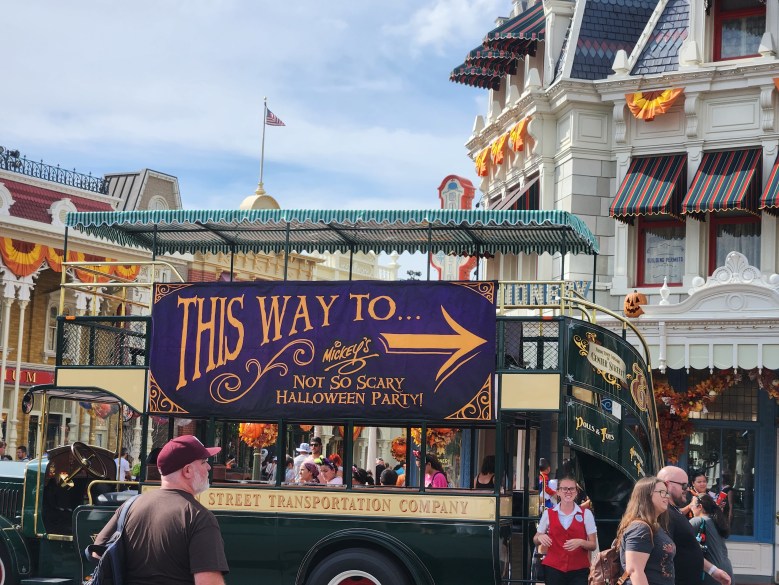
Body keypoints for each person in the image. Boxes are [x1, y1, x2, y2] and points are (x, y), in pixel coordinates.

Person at [93, 435, 229, 585]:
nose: (209, 467)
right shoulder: (198, 516)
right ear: (188, 471)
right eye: (204, 462)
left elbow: (97, 552)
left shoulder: (129, 506)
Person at [657, 466, 731, 585]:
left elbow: (689, 550)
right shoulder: (664, 515)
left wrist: (713, 571)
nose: (687, 489)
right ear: (667, 485)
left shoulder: (676, 513)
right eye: (684, 485)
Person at [533, 475, 597, 585]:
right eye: (564, 489)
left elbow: (593, 545)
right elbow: (535, 539)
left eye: (572, 488)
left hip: (579, 570)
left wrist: (581, 542)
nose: (568, 492)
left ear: (576, 492)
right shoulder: (548, 513)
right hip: (553, 569)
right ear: (558, 492)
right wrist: (540, 537)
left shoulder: (586, 514)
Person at [617, 476, 675, 585]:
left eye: (667, 493)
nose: (666, 496)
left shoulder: (654, 526)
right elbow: (634, 571)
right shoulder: (640, 528)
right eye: (662, 492)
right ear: (646, 496)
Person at [690, 495, 734, 585]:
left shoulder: (697, 521)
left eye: (692, 504)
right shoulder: (717, 521)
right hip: (727, 572)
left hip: (712, 575)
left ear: (700, 507)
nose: (690, 507)